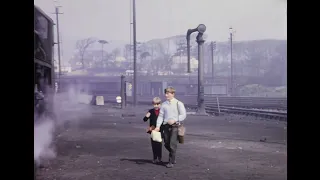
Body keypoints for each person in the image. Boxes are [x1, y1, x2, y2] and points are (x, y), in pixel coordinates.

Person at [154, 87, 187, 168]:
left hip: (175, 126)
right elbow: (161, 116)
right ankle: (173, 155)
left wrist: (175, 120)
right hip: (165, 126)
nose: (166, 95)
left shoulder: (178, 103)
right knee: (166, 144)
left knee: (172, 144)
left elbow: (183, 115)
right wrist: (158, 126)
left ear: (173, 94)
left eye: (168, 93)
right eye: (165, 93)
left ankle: (171, 162)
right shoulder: (164, 104)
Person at [143, 97, 163, 164]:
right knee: (153, 144)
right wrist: (146, 116)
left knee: (159, 144)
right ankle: (155, 158)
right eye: (154, 104)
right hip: (153, 130)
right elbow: (144, 120)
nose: (156, 106)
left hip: (160, 130)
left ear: (160, 104)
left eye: (157, 104)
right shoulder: (151, 111)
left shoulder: (162, 111)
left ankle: (159, 158)